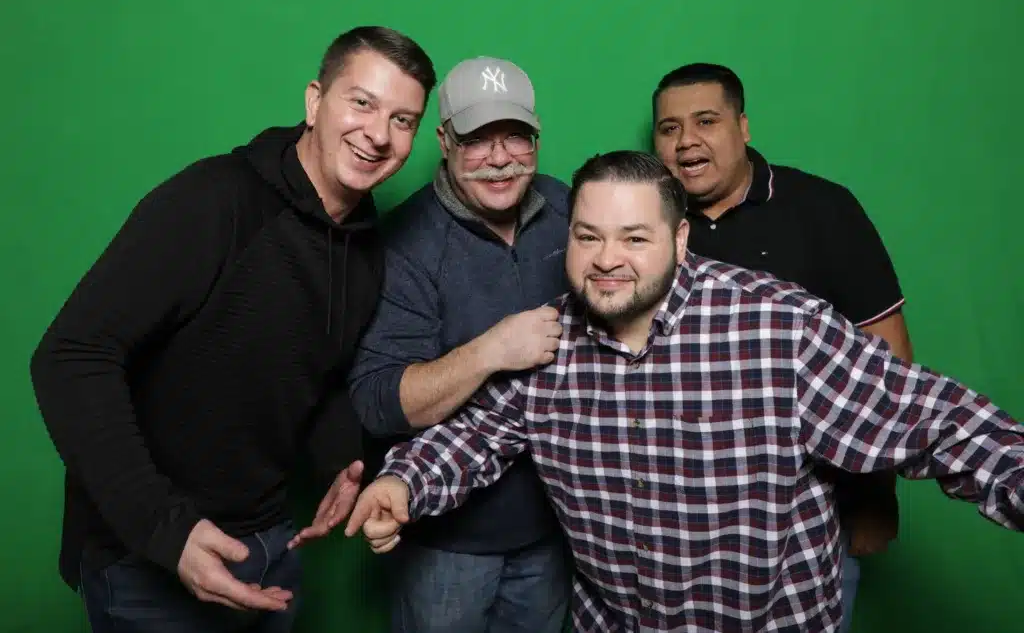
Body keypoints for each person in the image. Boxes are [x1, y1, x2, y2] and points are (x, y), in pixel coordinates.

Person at [344, 150, 1024, 632]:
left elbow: (931, 418)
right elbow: (477, 434)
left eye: (633, 237)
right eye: (588, 236)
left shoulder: (775, 327)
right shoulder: (548, 342)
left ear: (680, 237)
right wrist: (403, 483)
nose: (607, 258)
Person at [29, 25, 436, 633]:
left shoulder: (365, 250)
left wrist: (340, 461)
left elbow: (317, 373)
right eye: (362, 103)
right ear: (314, 101)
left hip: (269, 546)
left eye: (403, 120)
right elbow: (71, 356)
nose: (379, 135)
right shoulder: (213, 200)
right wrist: (165, 532)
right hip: (146, 561)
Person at [651, 62, 912, 631]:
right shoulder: (645, 226)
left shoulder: (824, 210)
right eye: (669, 128)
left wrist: (875, 498)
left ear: (743, 127)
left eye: (705, 121)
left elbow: (886, 360)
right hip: (678, 525)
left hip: (810, 518)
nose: (686, 140)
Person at [340, 56, 572, 633]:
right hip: (447, 542)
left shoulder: (572, 211)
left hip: (559, 529)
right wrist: (491, 350)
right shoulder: (404, 243)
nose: (499, 159)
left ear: (537, 133)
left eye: (515, 136)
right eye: (476, 139)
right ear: (443, 140)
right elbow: (378, 401)